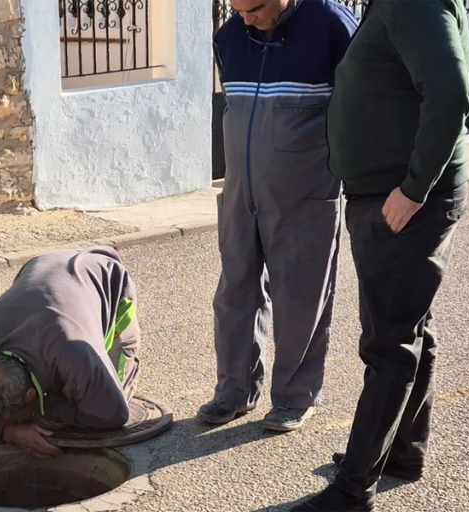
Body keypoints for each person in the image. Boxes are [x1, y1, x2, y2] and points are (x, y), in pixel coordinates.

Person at [290, 0, 469, 510]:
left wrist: (414, 189)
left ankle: (353, 490)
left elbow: (453, 92)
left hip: (404, 204)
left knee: (389, 347)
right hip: (392, 196)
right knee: (411, 332)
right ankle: (403, 453)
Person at [198, 0, 358, 432]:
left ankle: (293, 397)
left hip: (306, 193)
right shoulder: (230, 36)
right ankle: (234, 390)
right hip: (240, 193)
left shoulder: (332, 26)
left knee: (301, 296)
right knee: (234, 292)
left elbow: (361, 106)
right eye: (238, 9)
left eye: (255, 8)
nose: (246, 18)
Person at [0, 246, 139, 458]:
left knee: (114, 394)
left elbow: (114, 414)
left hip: (107, 279)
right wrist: (7, 431)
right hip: (37, 267)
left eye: (14, 419)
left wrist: (47, 411)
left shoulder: (76, 354)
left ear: (31, 396)